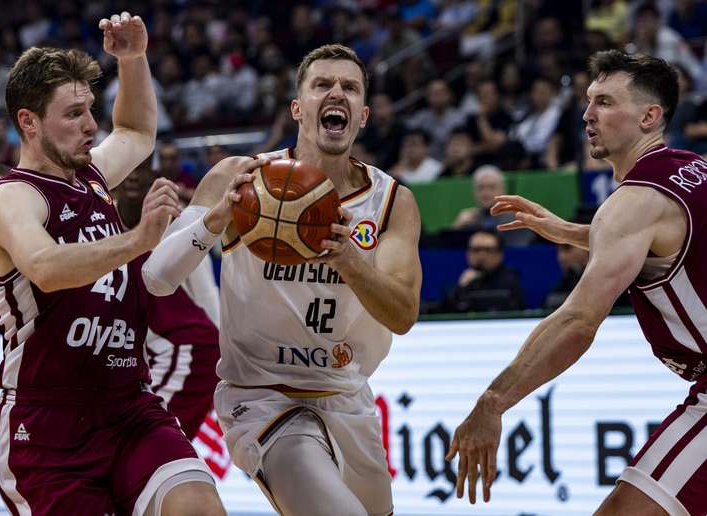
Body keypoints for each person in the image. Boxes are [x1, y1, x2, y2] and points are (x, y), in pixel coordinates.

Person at [143, 44, 422, 516]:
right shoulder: (242, 177)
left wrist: (350, 261)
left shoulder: (392, 201)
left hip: (345, 394)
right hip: (261, 397)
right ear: (298, 108)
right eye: (322, 85)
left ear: (363, 115)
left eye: (350, 88)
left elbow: (402, 315)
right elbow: (156, 278)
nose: (337, 93)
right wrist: (217, 217)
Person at [0, 12, 225, 515]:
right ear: (29, 121)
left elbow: (134, 129)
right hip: (47, 425)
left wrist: (132, 60)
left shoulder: (90, 176)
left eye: (90, 109)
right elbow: (45, 267)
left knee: (199, 505)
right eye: (73, 114)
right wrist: (138, 239)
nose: (91, 125)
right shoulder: (14, 198)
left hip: (128, 404)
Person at [450, 50, 707, 515]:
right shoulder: (690, 166)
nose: (587, 114)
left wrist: (493, 401)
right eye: (589, 101)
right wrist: (573, 231)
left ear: (650, 116)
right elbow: (671, 239)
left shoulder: (632, 203)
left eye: (605, 102)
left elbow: (578, 322)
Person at [114, 163, 221, 441]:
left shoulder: (175, 222)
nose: (134, 176)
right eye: (128, 170)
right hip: (132, 357)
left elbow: (206, 294)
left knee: (145, 445)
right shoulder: (99, 221)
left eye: (143, 169)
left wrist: (226, 360)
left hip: (176, 350)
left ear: (155, 177)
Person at [439, 230, 525, 313]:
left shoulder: (510, 280)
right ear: (468, 253)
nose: (482, 255)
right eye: (476, 250)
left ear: (500, 254)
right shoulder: (460, 280)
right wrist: (461, 287)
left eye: (488, 250)